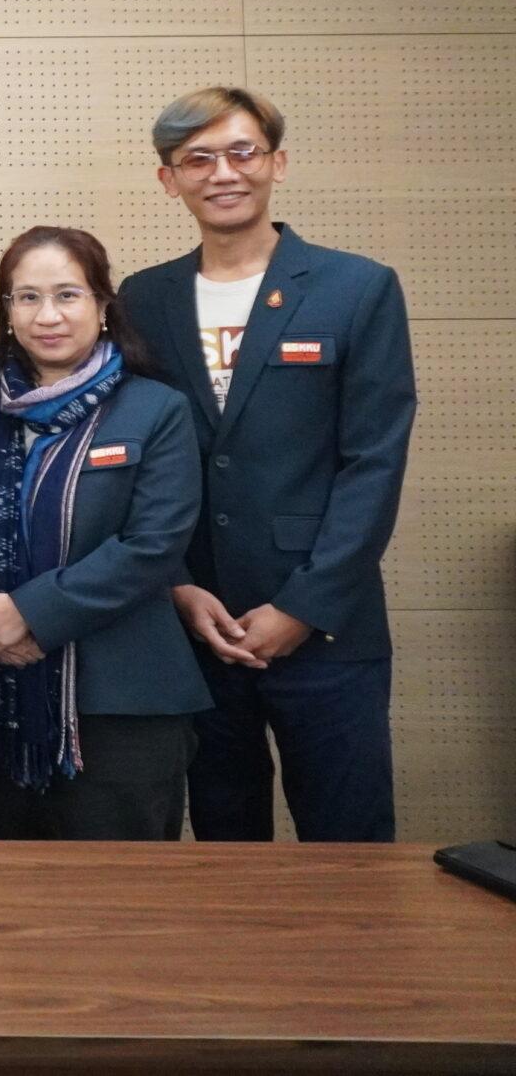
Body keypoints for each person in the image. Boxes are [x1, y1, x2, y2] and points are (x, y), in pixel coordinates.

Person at [117, 88, 416, 843]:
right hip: (200, 624)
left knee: (348, 844)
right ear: (169, 180)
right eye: (198, 159)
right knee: (225, 847)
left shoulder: (357, 288)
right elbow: (137, 459)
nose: (223, 173)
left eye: (242, 152)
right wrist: (176, 584)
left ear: (277, 163)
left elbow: (374, 463)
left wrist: (303, 606)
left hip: (325, 625)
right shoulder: (144, 299)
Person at [0, 226, 210, 841]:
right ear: (7, 312)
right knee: (6, 887)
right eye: (28, 297)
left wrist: (28, 615)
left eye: (68, 295)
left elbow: (154, 545)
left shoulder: (156, 409)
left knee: (119, 892)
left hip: (122, 701)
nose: (48, 316)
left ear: (103, 305)